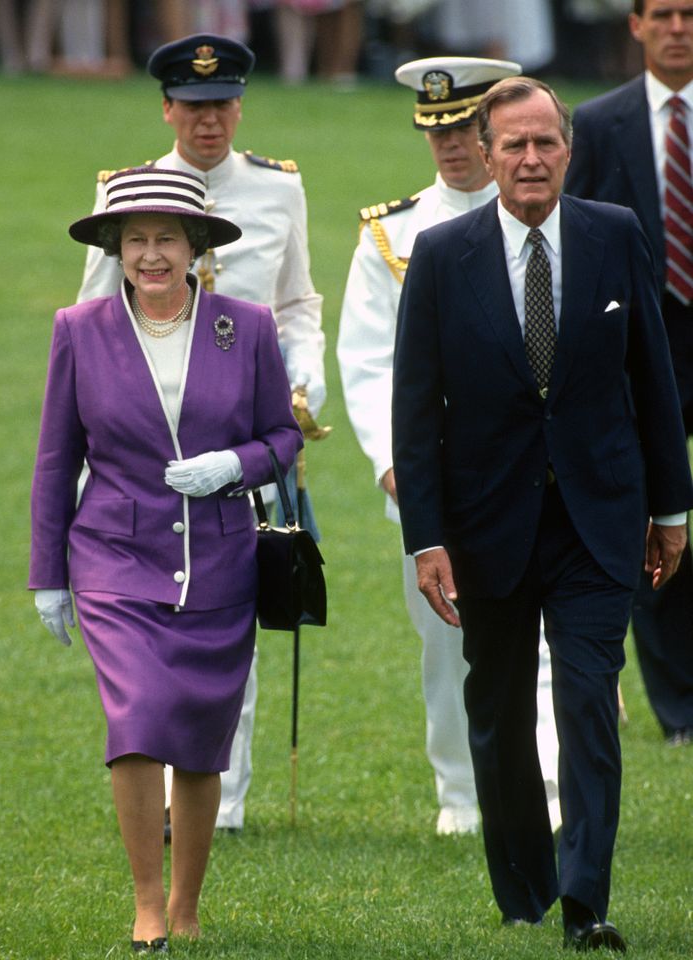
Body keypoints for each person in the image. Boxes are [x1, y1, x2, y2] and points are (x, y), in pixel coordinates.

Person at [392, 75, 693, 950]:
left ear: (569, 150)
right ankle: (523, 885)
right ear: (485, 156)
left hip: (601, 519)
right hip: (488, 527)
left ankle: (584, 900)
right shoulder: (442, 256)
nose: (531, 159)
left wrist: (670, 508)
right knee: (499, 709)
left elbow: (654, 379)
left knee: (591, 702)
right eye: (513, 145)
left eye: (546, 143)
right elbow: (417, 411)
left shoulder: (615, 235)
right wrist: (428, 539)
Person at [29, 166, 303, 952]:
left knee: (199, 736)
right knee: (140, 721)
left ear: (196, 249)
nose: (152, 256)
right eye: (136, 240)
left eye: (167, 240)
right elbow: (56, 459)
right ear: (116, 248)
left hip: (220, 561)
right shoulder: (78, 328)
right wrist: (49, 576)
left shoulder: (244, 325)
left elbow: (281, 437)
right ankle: (148, 906)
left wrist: (234, 466)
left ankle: (188, 905)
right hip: (115, 556)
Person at [76, 33, 326, 833]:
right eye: (192, 107)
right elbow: (93, 321)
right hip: (146, 445)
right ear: (167, 109)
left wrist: (305, 374)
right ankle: (165, 784)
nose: (207, 122)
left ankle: (224, 801)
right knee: (151, 624)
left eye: (221, 107)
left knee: (236, 613)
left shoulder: (278, 188)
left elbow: (298, 302)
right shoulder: (128, 190)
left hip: (244, 430)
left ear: (240, 106)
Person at [337, 56, 560, 836]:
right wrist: (392, 465)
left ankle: (550, 789)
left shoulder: (554, 216)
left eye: (464, 128)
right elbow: (366, 361)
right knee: (449, 638)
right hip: (437, 472)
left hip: (534, 466)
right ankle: (463, 793)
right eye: (435, 132)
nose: (451, 147)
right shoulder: (393, 233)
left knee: (543, 630)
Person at [564, 0, 693, 746]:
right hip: (642, 344)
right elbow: (576, 232)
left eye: (689, 14)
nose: (678, 28)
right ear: (637, 25)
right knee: (653, 520)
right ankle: (679, 707)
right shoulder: (600, 121)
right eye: (664, 14)